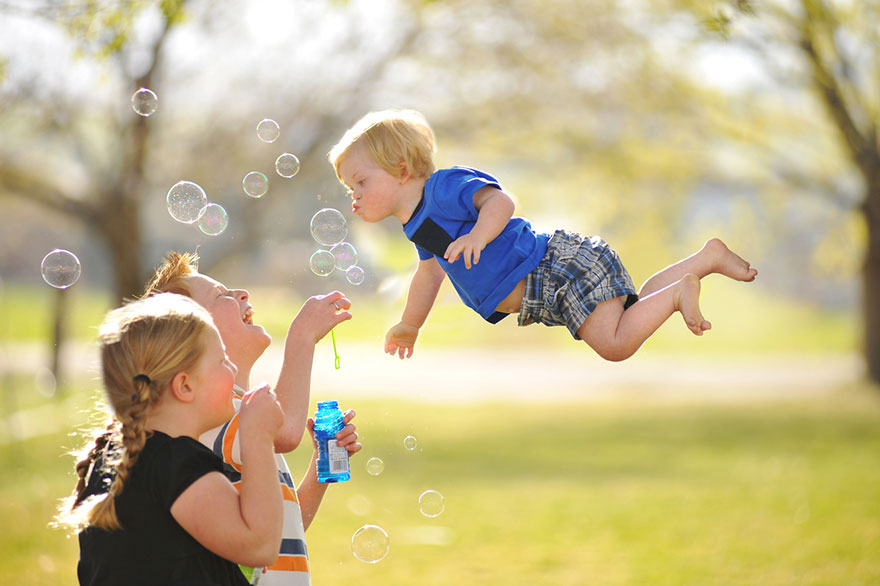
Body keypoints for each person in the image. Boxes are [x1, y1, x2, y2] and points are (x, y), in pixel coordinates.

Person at [328, 109, 758, 361]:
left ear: (402, 170)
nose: (355, 195)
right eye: (351, 189)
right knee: (634, 309)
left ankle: (682, 290)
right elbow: (428, 276)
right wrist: (409, 324)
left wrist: (479, 235)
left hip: (556, 269)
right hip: (549, 284)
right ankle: (704, 259)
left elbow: (501, 202)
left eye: (361, 182)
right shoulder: (417, 223)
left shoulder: (444, 187)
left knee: (615, 345)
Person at [142, 251, 361, 586]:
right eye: (221, 296)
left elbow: (277, 528)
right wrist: (302, 336)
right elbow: (287, 431)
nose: (242, 293)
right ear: (192, 339)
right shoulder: (210, 412)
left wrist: (321, 467)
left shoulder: (242, 414)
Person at [58, 293, 284, 586]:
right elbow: (259, 545)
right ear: (184, 386)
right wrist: (258, 437)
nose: (232, 370)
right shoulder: (178, 463)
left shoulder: (113, 457)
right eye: (222, 360)